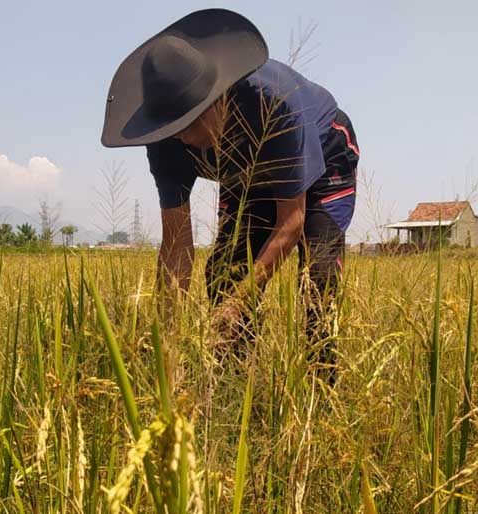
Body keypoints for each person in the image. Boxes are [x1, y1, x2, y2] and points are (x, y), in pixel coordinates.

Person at [101, 9, 359, 375]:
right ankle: (234, 387)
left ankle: (321, 390)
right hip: (246, 173)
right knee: (225, 273)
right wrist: (168, 346)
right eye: (174, 130)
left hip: (323, 154)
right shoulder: (165, 140)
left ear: (217, 100)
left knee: (318, 280)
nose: (184, 139)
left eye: (189, 125)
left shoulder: (274, 106)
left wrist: (240, 302)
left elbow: (291, 223)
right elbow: (176, 246)